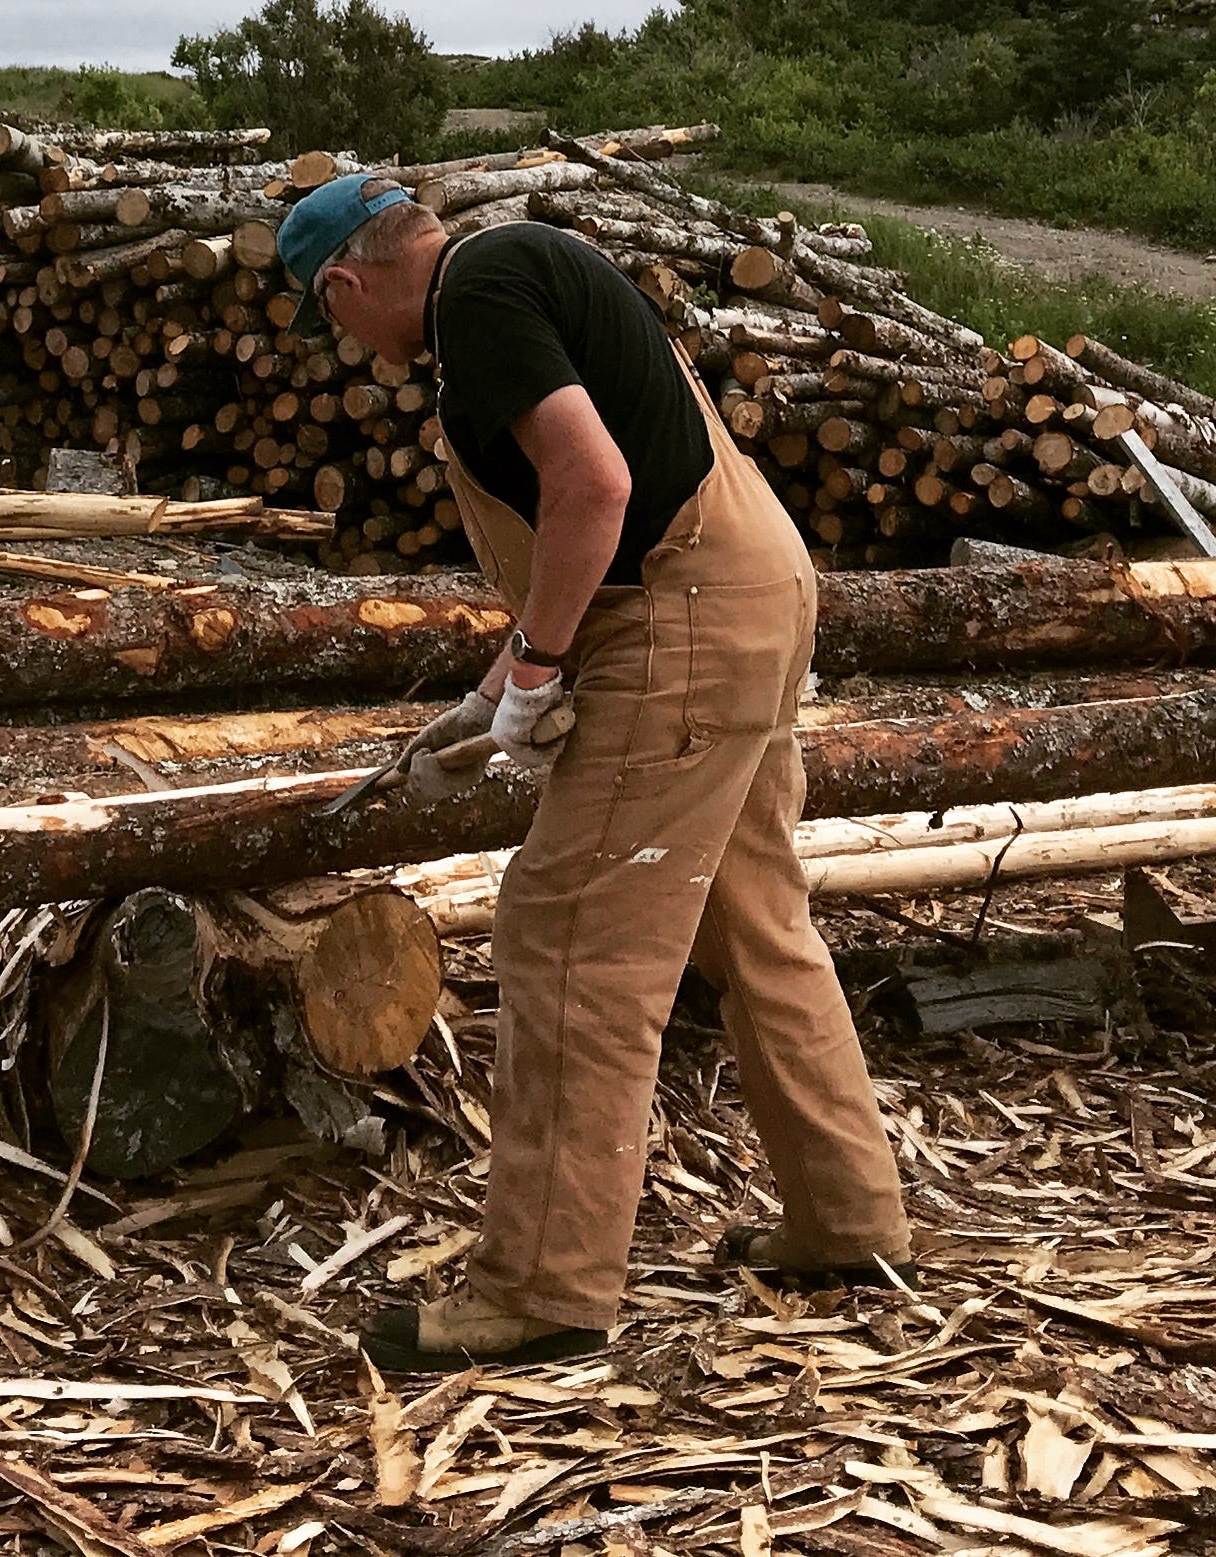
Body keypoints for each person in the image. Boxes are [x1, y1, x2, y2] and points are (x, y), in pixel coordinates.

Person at [275, 171, 912, 1372]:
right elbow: (607, 507)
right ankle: (849, 1217)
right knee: (754, 918)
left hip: (679, 621)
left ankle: (542, 1288)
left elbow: (595, 486)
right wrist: (488, 699)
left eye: (333, 321)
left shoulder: (479, 296)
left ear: (346, 284)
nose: (351, 347)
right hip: (746, 590)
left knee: (567, 933)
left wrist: (536, 668)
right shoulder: (516, 268)